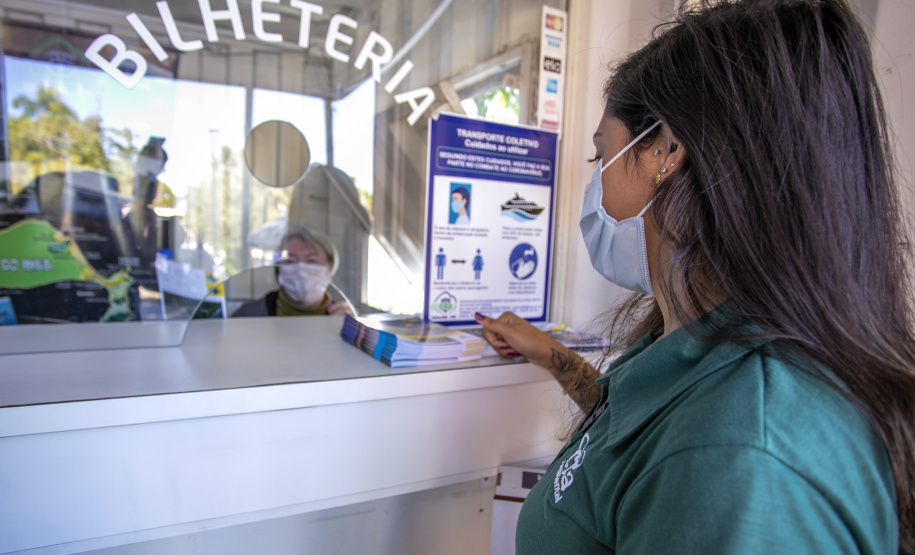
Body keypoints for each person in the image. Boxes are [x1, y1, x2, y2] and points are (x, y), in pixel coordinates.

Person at [475, 0, 915, 553]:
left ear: (666, 150)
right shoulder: (702, 342)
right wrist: (551, 355)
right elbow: (634, 433)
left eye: (599, 156)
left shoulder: (743, 459)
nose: (595, 187)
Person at [232, 226, 352, 317]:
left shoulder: (342, 318)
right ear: (279, 269)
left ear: (330, 268)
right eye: (290, 261)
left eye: (311, 261)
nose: (301, 272)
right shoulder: (247, 316)